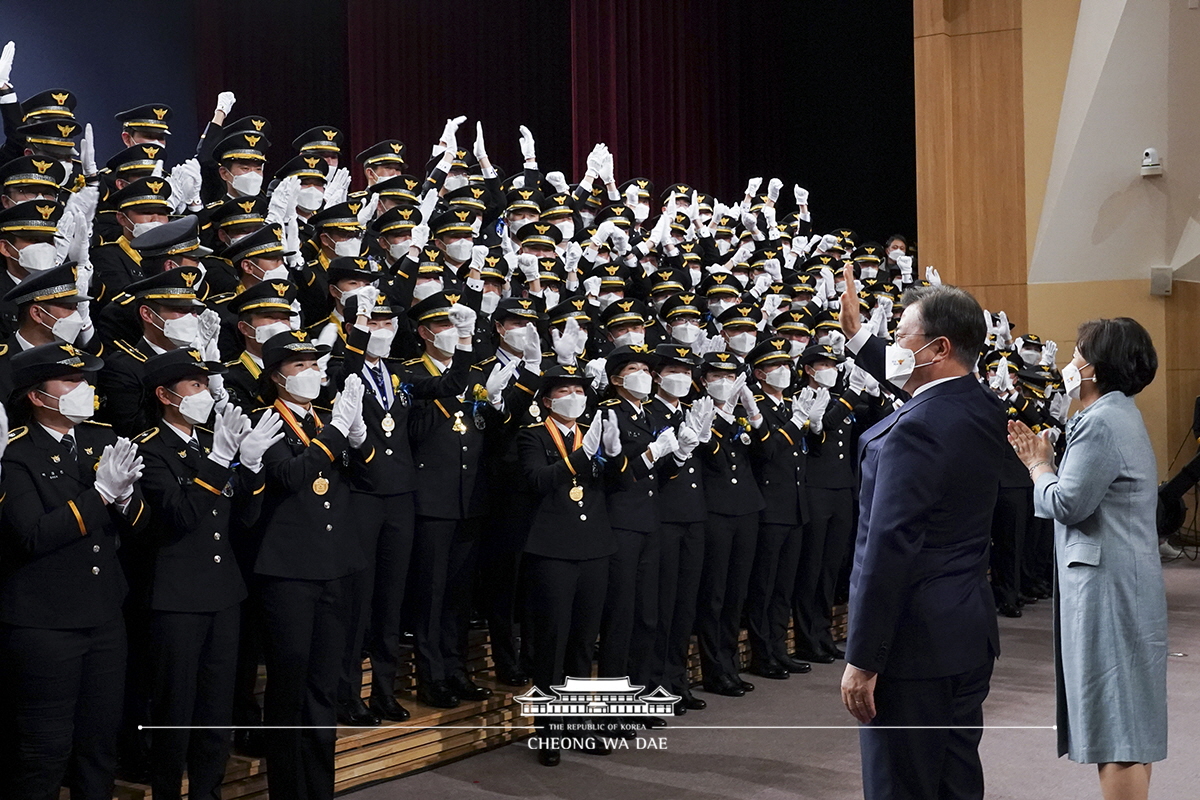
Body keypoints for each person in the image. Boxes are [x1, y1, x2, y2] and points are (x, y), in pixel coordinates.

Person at [838, 282, 1005, 800]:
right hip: (965, 629)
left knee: (902, 786)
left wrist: (863, 658)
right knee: (954, 779)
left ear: (939, 348)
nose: (894, 346)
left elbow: (889, 548)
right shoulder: (980, 404)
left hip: (913, 646)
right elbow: (924, 395)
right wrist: (858, 335)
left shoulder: (919, 428)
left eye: (901, 335)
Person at [1009, 318, 1166, 800]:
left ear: (1093, 368)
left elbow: (1066, 504)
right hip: (1122, 581)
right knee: (1127, 722)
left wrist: (1038, 467)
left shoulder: (1100, 421)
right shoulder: (1116, 413)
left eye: (1077, 355)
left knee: (1117, 728)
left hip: (1109, 590)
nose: (1069, 365)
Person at [0, 342, 148, 800]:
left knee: (98, 744)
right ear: (37, 395)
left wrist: (123, 498)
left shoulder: (100, 439)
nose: (84, 390)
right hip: (45, 621)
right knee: (45, 749)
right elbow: (33, 535)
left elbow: (142, 522)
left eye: (86, 381)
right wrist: (101, 495)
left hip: (103, 614)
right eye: (71, 381)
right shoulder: (14, 453)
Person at [134, 349, 282, 800]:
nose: (206, 394)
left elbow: (246, 519)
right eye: (195, 386)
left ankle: (207, 793)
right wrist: (220, 460)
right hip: (176, 598)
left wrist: (252, 467)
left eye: (206, 384)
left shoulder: (208, 442)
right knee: (175, 711)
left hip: (223, 593)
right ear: (165, 395)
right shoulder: (149, 448)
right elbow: (179, 516)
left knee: (216, 713)